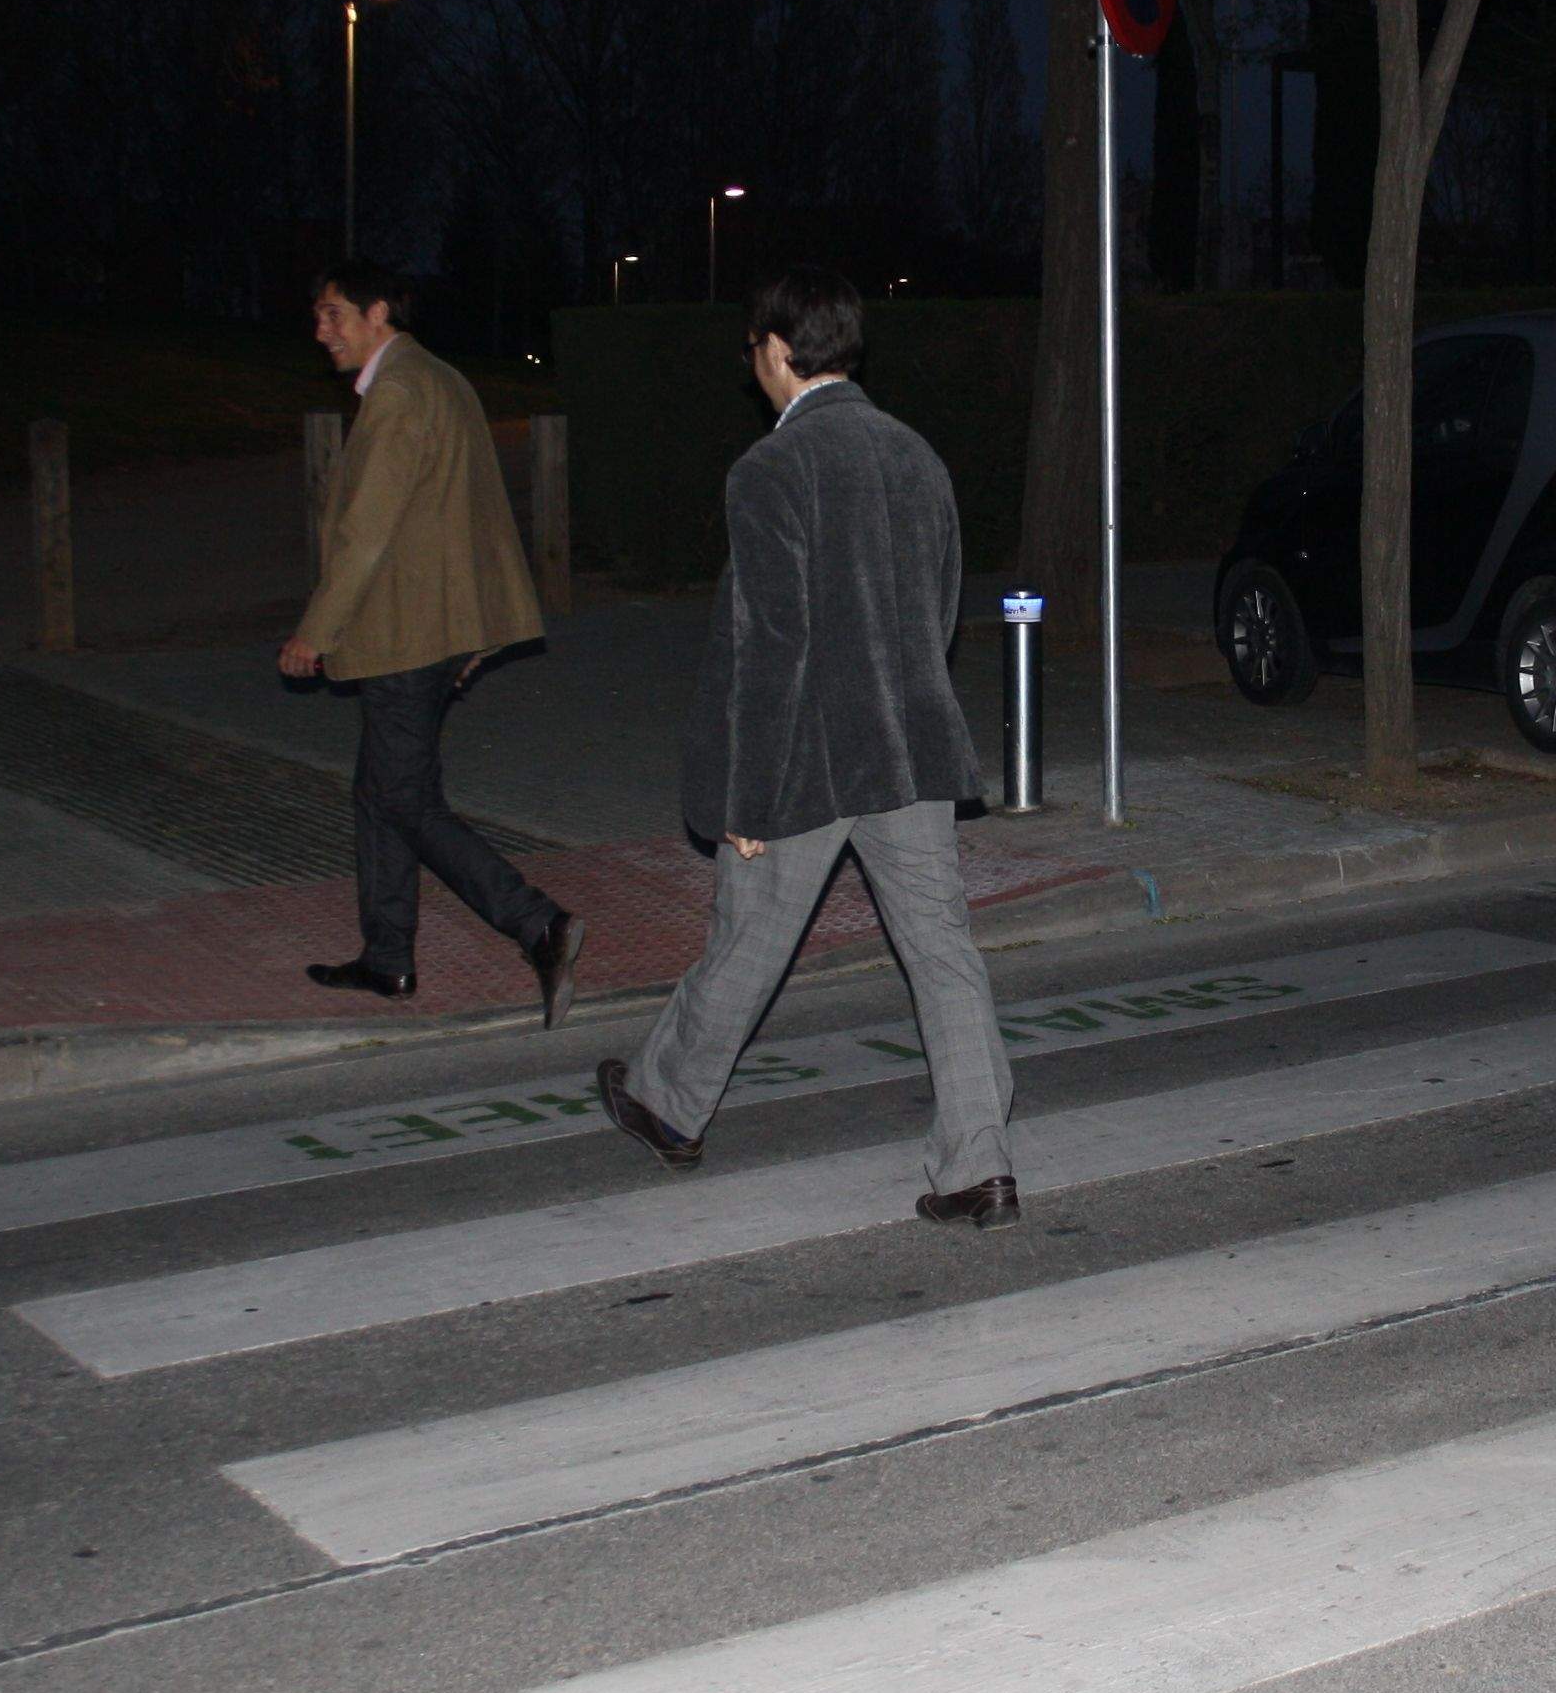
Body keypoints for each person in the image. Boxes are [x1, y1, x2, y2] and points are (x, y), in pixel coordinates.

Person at [593, 266, 1018, 1227]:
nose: (752, 364)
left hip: (810, 755)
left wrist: (743, 795)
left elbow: (769, 644)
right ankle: (980, 1165)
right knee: (944, 954)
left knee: (750, 934)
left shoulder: (769, 469)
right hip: (910, 748)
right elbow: (941, 605)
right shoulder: (917, 454)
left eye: (753, 347)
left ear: (779, 350)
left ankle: (668, 1105)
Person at [282, 262, 582, 1029]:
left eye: (333, 313)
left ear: (377, 312)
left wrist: (316, 631)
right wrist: (478, 626)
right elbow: (468, 513)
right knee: (381, 792)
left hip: (405, 632)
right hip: (434, 624)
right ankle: (387, 959)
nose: (320, 330)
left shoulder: (400, 392)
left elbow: (365, 533)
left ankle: (537, 924)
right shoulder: (438, 378)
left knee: (403, 800)